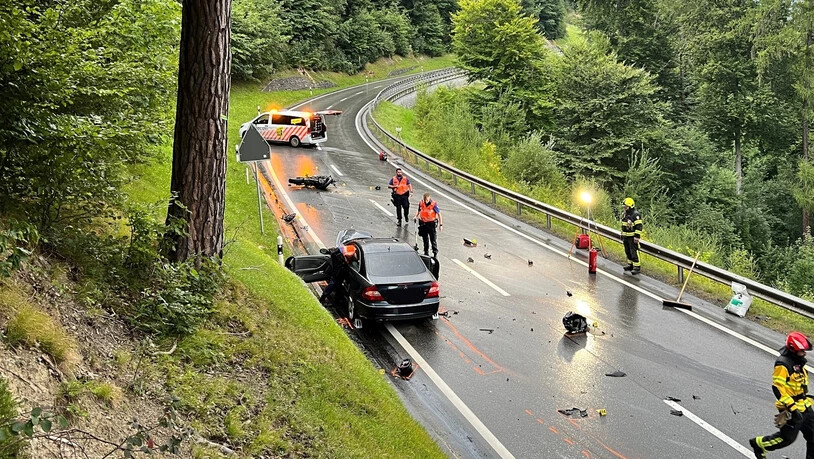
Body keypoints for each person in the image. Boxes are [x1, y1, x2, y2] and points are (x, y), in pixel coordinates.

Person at [749, 332, 814, 459]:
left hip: (804, 405)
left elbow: (798, 385)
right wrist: (792, 408)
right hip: (791, 408)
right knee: (786, 439)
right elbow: (778, 388)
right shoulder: (783, 364)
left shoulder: (799, 362)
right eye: (802, 351)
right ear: (793, 350)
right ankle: (759, 444)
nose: (805, 353)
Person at [414, 192, 443, 258]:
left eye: (427, 200)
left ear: (429, 198)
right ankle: (426, 251)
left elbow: (439, 214)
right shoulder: (421, 203)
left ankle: (435, 252)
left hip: (431, 224)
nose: (426, 201)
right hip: (423, 223)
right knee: (425, 239)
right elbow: (419, 210)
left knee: (433, 239)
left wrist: (441, 225)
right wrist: (416, 216)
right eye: (425, 200)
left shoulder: (433, 204)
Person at [621, 197, 643, 274]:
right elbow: (623, 225)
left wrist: (637, 237)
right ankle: (630, 264)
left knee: (633, 251)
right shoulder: (625, 214)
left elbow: (639, 227)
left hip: (632, 237)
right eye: (624, 207)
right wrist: (622, 235)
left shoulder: (636, 215)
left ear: (631, 206)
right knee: (627, 251)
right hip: (626, 237)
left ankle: (637, 267)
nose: (625, 208)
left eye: (626, 207)